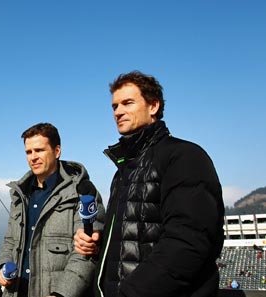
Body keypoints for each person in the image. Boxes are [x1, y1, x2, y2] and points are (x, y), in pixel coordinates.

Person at [74, 71, 224, 297]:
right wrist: (98, 247)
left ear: (153, 106)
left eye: (128, 103)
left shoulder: (184, 156)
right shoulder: (125, 170)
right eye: (114, 106)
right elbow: (135, 238)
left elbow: (187, 244)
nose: (118, 112)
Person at [0, 122, 105, 297]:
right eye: (28, 152)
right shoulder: (20, 195)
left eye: (39, 150)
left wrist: (61, 294)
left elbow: (86, 254)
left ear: (57, 151)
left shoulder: (82, 192)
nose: (33, 157)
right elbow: (9, 241)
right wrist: (1, 267)